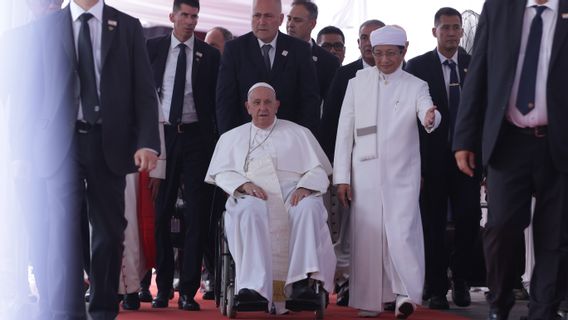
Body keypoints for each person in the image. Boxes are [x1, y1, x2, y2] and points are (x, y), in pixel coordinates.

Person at [31, 0, 160, 318]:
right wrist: (21, 150)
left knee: (108, 230)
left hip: (110, 142)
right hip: (61, 143)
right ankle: (66, 310)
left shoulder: (128, 26)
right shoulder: (46, 27)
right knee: (62, 229)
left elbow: (144, 89)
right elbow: (31, 91)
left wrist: (147, 143)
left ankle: (103, 308)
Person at [452, 0, 568, 319]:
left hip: (559, 142)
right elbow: (479, 70)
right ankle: (499, 303)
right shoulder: (500, 6)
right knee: (501, 226)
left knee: (554, 235)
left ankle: (543, 310)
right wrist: (464, 138)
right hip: (509, 140)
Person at [333, 25, 440, 319]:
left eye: (390, 54)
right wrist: (342, 177)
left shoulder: (415, 84)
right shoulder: (357, 82)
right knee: (368, 235)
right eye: (378, 54)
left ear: (403, 51)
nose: (384, 60)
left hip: (402, 174)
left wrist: (431, 117)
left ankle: (406, 294)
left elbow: (426, 110)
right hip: (364, 173)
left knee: (402, 233)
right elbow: (344, 131)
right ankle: (370, 300)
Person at [205, 82, 336, 313]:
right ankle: (253, 288)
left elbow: (318, 169)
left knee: (309, 209)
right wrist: (243, 184)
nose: (262, 107)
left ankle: (301, 283)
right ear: (247, 107)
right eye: (257, 103)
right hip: (252, 194)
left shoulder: (299, 133)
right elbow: (222, 172)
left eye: (267, 102)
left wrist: (305, 187)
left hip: (292, 193)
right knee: (250, 210)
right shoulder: (231, 138)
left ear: (277, 105)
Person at [146, 0, 221, 312]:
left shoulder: (210, 55)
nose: (190, 21)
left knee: (196, 215)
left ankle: (189, 290)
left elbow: (217, 100)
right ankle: (162, 288)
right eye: (185, 15)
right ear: (172, 16)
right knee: (160, 213)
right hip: (160, 138)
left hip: (195, 140)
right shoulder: (152, 48)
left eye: (195, 16)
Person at [405, 7, 481, 310]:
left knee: (468, 218)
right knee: (432, 224)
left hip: (469, 160)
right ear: (434, 31)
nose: (451, 33)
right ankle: (435, 286)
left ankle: (461, 280)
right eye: (445, 27)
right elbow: (410, 119)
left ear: (462, 31)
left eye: (456, 28)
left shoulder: (474, 65)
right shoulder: (418, 66)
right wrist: (415, 164)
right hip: (431, 161)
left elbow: (483, 112)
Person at [318, 19, 384, 307]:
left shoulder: (401, 73)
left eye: (374, 37)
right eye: (364, 37)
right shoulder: (344, 74)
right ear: (358, 44)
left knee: (382, 227)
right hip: (353, 165)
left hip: (389, 167)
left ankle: (384, 285)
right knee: (347, 228)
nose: (369, 43)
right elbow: (331, 123)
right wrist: (337, 168)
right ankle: (345, 282)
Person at [216, 0, 320, 135]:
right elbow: (225, 102)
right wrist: (230, 141)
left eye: (268, 16)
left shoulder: (299, 50)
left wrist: (303, 138)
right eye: (257, 15)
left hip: (289, 138)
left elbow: (310, 101)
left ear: (281, 19)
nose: (261, 21)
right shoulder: (235, 50)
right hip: (246, 138)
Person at [286, 0, 340, 100]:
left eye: (297, 20)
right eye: (289, 19)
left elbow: (330, 104)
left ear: (312, 24)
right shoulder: (274, 51)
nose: (290, 24)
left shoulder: (329, 62)